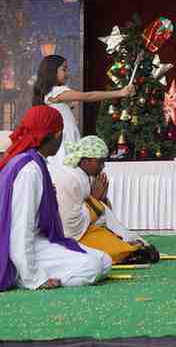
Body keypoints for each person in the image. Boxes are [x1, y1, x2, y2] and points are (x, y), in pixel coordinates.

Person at [0, 106, 112, 291]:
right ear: (57, 134)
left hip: (37, 241)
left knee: (104, 261)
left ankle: (37, 271)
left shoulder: (36, 162)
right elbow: (21, 228)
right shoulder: (29, 170)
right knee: (91, 267)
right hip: (19, 247)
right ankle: (21, 276)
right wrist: (33, 278)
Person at [48, 136, 158, 264]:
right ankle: (127, 251)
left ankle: (126, 245)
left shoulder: (84, 176)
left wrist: (101, 201)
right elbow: (70, 226)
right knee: (111, 249)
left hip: (85, 230)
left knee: (110, 239)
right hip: (70, 236)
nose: (103, 166)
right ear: (85, 161)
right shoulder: (70, 179)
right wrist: (95, 201)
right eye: (100, 162)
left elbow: (96, 214)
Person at [32, 55, 135, 165]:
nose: (67, 74)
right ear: (51, 71)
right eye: (64, 69)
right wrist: (120, 93)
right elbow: (89, 96)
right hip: (66, 138)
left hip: (65, 136)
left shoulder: (49, 93)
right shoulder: (56, 91)